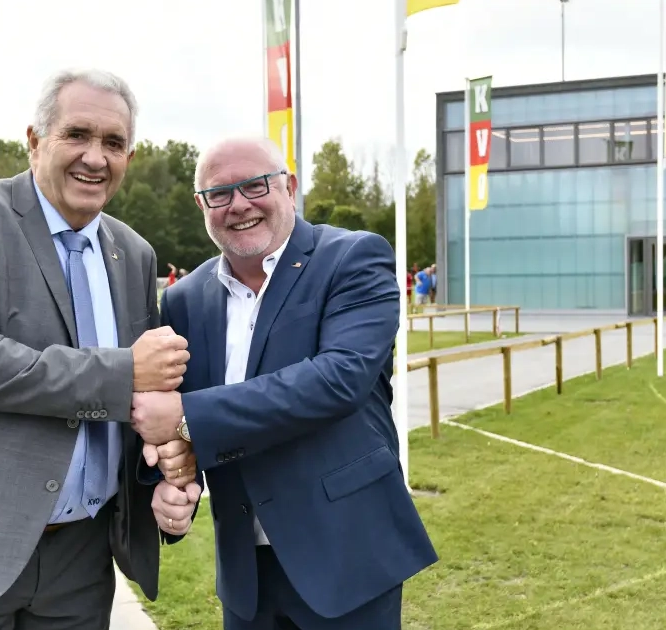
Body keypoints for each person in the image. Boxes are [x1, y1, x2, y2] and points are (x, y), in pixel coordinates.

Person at [0, 68, 202, 629]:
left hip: (83, 555)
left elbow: (150, 395)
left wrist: (176, 463)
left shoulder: (134, 253)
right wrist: (126, 371)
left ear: (129, 157)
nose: (95, 157)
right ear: (34, 140)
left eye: (113, 143)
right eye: (77, 134)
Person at [129, 136, 438, 629]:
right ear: (202, 205)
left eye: (255, 185)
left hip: (347, 557)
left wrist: (187, 418)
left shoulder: (353, 258)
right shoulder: (185, 300)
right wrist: (175, 481)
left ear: (289, 188)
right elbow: (178, 420)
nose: (239, 204)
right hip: (246, 574)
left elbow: (338, 379)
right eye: (219, 193)